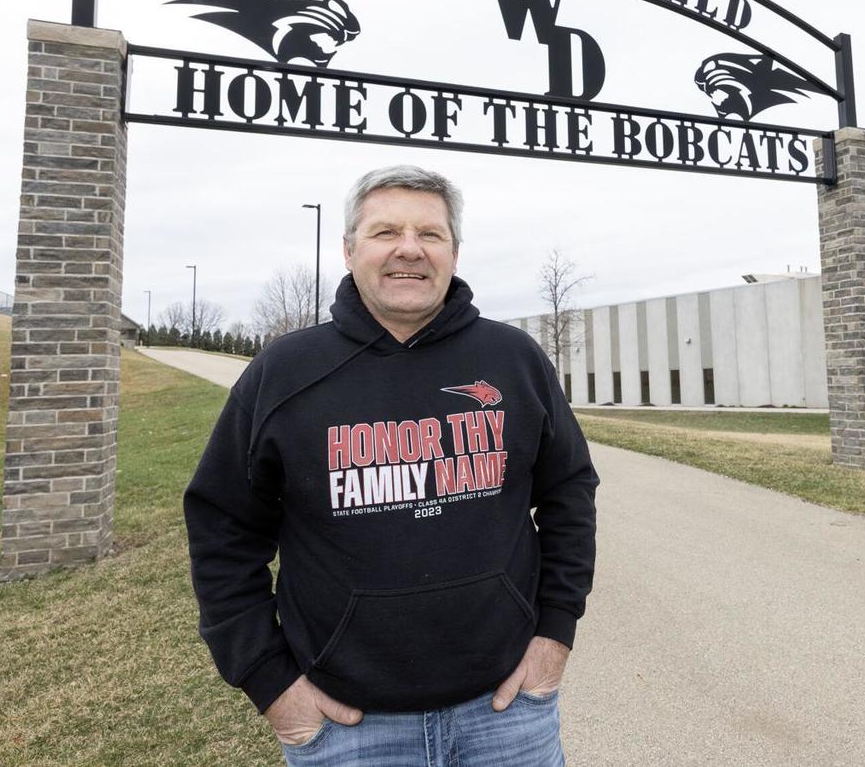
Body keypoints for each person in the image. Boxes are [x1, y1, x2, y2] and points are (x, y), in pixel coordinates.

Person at [183, 165, 599, 765]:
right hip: (347, 729)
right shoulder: (284, 373)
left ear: (454, 252)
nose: (410, 249)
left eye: (430, 234)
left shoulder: (514, 360)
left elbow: (569, 494)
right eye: (385, 232)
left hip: (507, 716)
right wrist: (271, 683)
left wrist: (554, 637)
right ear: (350, 250)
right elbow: (222, 529)